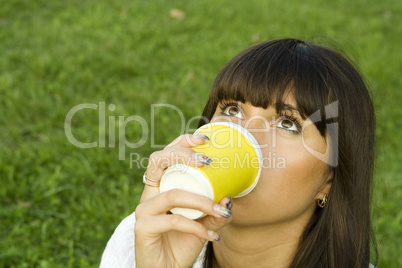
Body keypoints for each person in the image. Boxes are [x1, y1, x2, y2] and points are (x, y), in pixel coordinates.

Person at [100, 38, 377, 268]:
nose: (244, 134)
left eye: (287, 123)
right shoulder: (142, 237)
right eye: (232, 110)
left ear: (329, 180)